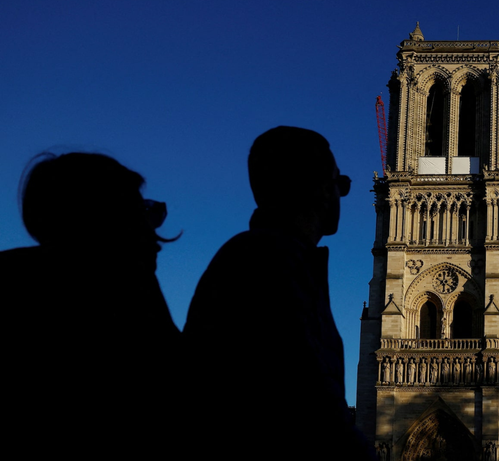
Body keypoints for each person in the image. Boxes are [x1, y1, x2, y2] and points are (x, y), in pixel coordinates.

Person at [183, 126, 375, 458]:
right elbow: (307, 398)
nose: (340, 196)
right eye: (339, 184)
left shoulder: (270, 255)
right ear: (317, 189)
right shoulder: (268, 261)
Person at [0, 152, 180, 451]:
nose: (154, 237)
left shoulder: (129, 287)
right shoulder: (126, 291)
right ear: (99, 219)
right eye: (138, 214)